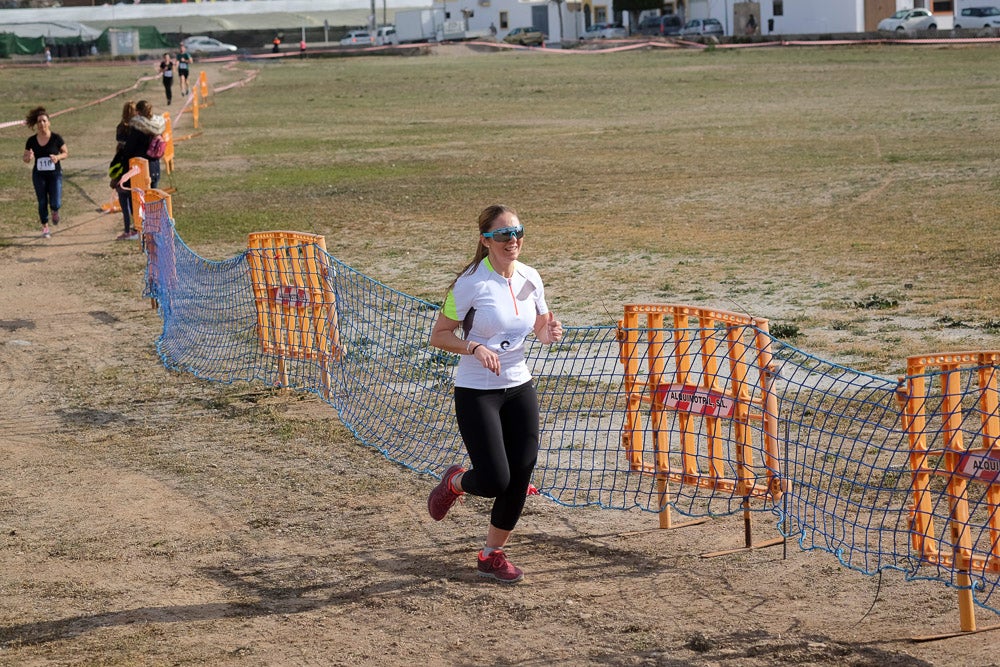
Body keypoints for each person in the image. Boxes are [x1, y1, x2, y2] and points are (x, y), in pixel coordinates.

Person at [427, 204, 563, 584]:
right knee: (494, 480)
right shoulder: (469, 283)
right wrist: (473, 347)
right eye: (503, 235)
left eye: (518, 232)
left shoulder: (531, 277)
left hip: (519, 385)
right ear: (485, 240)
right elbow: (439, 335)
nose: (513, 241)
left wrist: (548, 334)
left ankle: (491, 555)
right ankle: (455, 482)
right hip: (477, 391)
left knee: (521, 473)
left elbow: (538, 324)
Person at [110, 100, 165, 240]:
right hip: (154, 167)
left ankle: (140, 230)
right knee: (152, 199)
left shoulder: (137, 129)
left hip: (138, 169)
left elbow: (129, 150)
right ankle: (155, 230)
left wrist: (121, 172)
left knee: (138, 200)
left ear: (138, 113)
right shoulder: (157, 126)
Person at [22, 107, 68, 239]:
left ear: (48, 122)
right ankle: (45, 227)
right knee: (42, 201)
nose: (41, 124)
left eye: (44, 121)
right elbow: (25, 158)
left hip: (55, 174)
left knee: (56, 202)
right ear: (37, 124)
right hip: (39, 174)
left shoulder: (56, 138)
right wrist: (29, 157)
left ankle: (55, 210)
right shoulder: (31, 141)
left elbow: (66, 153)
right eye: (39, 122)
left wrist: (57, 157)